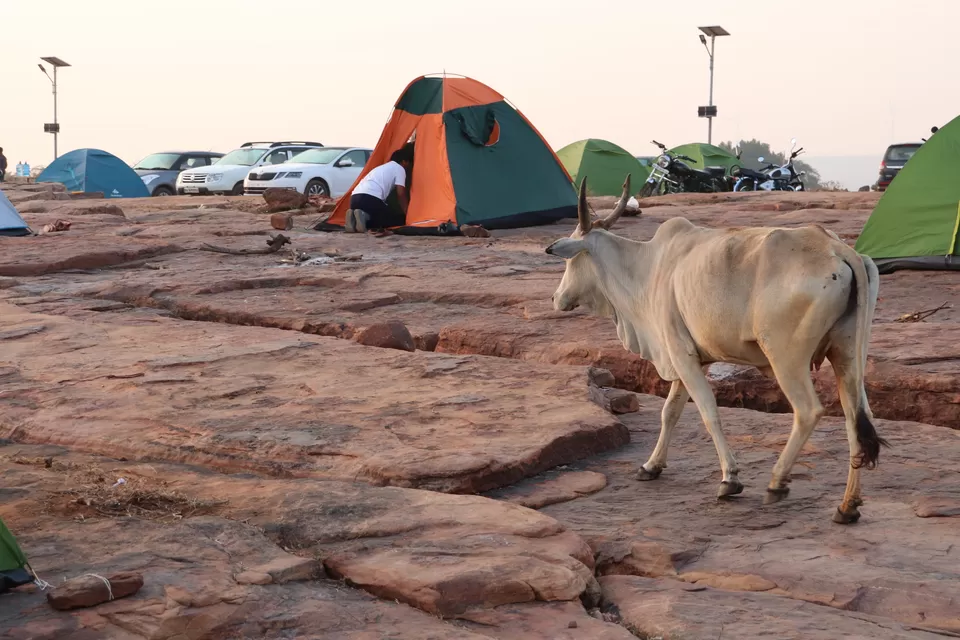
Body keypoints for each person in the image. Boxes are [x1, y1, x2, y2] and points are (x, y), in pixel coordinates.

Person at [345, 146, 413, 233]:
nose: (408, 167)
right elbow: (401, 193)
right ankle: (365, 217)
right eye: (409, 163)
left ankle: (353, 218)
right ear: (404, 161)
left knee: (378, 214)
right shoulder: (400, 169)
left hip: (354, 199)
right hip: (370, 199)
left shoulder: (380, 168)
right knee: (394, 220)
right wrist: (407, 213)